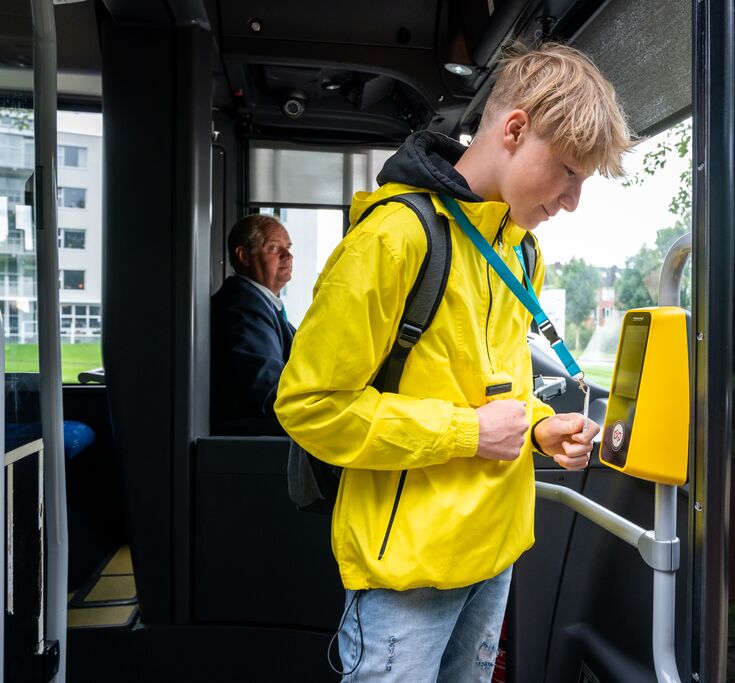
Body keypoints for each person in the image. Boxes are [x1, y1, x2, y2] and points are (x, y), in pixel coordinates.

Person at [275, 43, 630, 681]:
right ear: (515, 129)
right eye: (569, 172)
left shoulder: (522, 255)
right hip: (407, 579)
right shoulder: (394, 237)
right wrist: (469, 434)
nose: (572, 201)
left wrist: (539, 426)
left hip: (494, 556)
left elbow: (493, 385)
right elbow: (309, 406)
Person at [211, 214, 295, 435]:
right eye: (275, 249)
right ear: (244, 256)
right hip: (250, 435)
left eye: (288, 247)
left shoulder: (263, 304)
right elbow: (269, 391)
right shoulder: (243, 305)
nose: (288, 256)